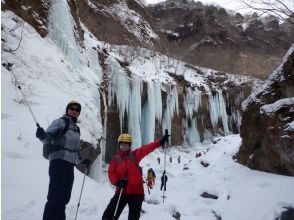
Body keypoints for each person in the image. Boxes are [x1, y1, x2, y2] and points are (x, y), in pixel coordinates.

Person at [36, 100, 91, 220]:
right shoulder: (60, 122)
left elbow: (75, 150)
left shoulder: (76, 128)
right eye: (72, 108)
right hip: (58, 161)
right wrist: (42, 135)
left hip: (69, 164)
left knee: (64, 197)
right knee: (55, 196)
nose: (74, 111)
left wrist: (82, 161)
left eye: (77, 110)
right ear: (67, 110)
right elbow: (47, 138)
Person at [102, 132, 169, 220]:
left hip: (137, 192)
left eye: (127, 144)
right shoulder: (115, 159)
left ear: (130, 146)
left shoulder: (135, 155)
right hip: (122, 191)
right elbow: (111, 173)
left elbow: (147, 148)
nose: (124, 146)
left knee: (134, 217)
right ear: (119, 145)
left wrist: (160, 142)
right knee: (108, 215)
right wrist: (117, 182)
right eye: (122, 144)